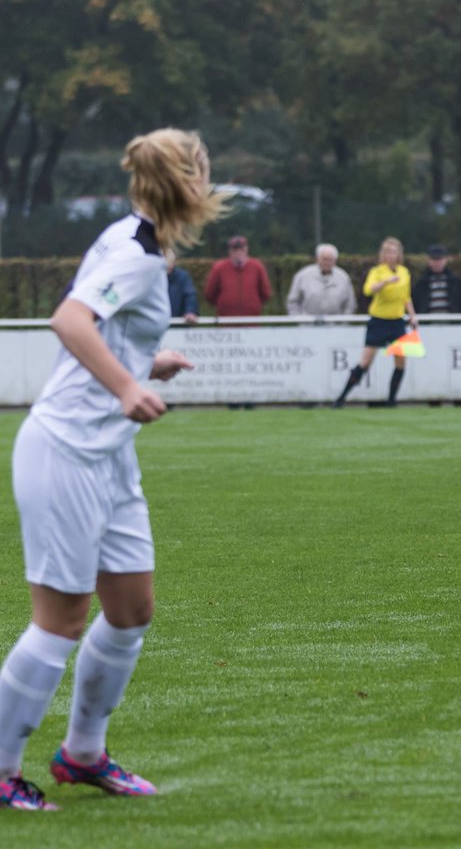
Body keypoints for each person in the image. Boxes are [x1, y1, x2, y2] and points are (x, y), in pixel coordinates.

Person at [0, 128, 221, 812]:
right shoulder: (136, 257)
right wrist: (129, 389)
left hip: (107, 456)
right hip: (64, 449)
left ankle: (83, 755)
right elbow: (69, 321)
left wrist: (145, 365)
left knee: (129, 611)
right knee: (61, 620)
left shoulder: (133, 240)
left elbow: (105, 329)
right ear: (190, 182)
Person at [333, 237, 419, 408]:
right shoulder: (378, 272)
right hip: (378, 321)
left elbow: (406, 297)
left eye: (393, 251)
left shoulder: (403, 272)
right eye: (387, 251)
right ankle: (341, 398)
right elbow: (368, 290)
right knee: (365, 361)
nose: (390, 255)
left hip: (397, 322)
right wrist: (385, 283)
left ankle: (391, 401)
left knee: (401, 361)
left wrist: (412, 315)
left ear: (398, 254)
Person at [203, 235, 271, 317]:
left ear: (247, 249)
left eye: (241, 249)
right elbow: (209, 294)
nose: (238, 252)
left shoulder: (257, 267)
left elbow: (265, 293)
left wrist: (253, 304)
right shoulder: (219, 268)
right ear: (229, 251)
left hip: (252, 322)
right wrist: (224, 304)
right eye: (235, 249)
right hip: (226, 323)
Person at [286, 243, 356, 317]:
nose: (327, 263)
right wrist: (299, 320)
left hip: (336, 326)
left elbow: (350, 304)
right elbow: (293, 301)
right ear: (318, 259)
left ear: (335, 260)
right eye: (325, 259)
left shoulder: (343, 277)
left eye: (330, 260)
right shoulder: (302, 276)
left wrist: (343, 322)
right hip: (307, 326)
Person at [411, 244, 461, 314]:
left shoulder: (455, 282)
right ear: (429, 261)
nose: (437, 263)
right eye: (434, 259)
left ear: (445, 260)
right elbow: (415, 304)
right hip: (428, 323)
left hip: (451, 323)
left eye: (439, 259)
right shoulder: (421, 283)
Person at [165, 250, 198, 324]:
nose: (167, 270)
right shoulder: (152, 277)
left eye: (169, 266)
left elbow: (190, 295)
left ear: (173, 264)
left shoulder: (183, 277)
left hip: (179, 324)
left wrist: (190, 311)